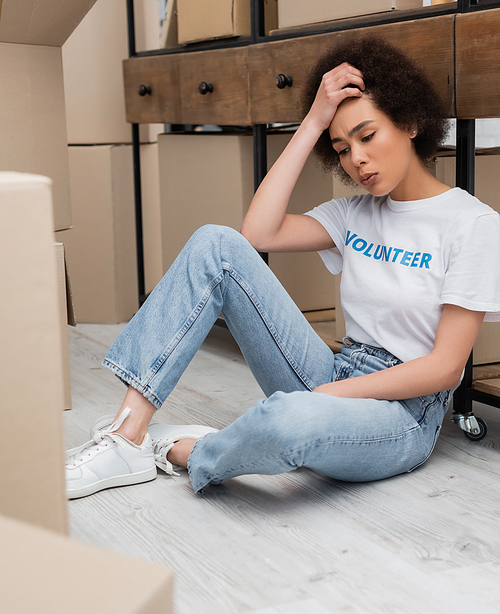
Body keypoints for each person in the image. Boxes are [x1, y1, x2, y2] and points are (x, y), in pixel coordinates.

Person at [66, 35, 500, 500]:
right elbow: (256, 235)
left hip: (404, 414)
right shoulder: (355, 213)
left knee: (291, 420)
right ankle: (126, 433)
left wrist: (323, 399)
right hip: (335, 369)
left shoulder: (471, 224)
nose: (357, 159)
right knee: (216, 242)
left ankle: (185, 451)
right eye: (341, 148)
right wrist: (313, 120)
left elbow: (444, 369)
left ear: (410, 122)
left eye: (367, 136)